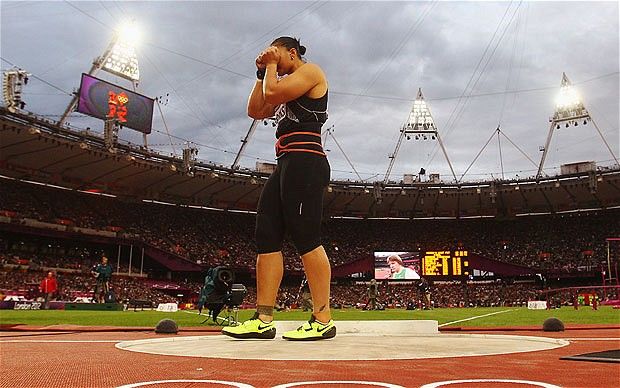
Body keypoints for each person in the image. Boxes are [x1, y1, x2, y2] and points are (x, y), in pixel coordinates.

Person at [222, 36, 335, 341]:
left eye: (278, 53)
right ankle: (263, 318)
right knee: (266, 233)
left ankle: (323, 318)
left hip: (306, 159)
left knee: (306, 236)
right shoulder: (280, 80)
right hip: (285, 160)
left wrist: (270, 65)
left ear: (292, 53)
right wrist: (261, 73)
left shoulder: (311, 72)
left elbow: (272, 92)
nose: (273, 59)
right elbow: (256, 109)